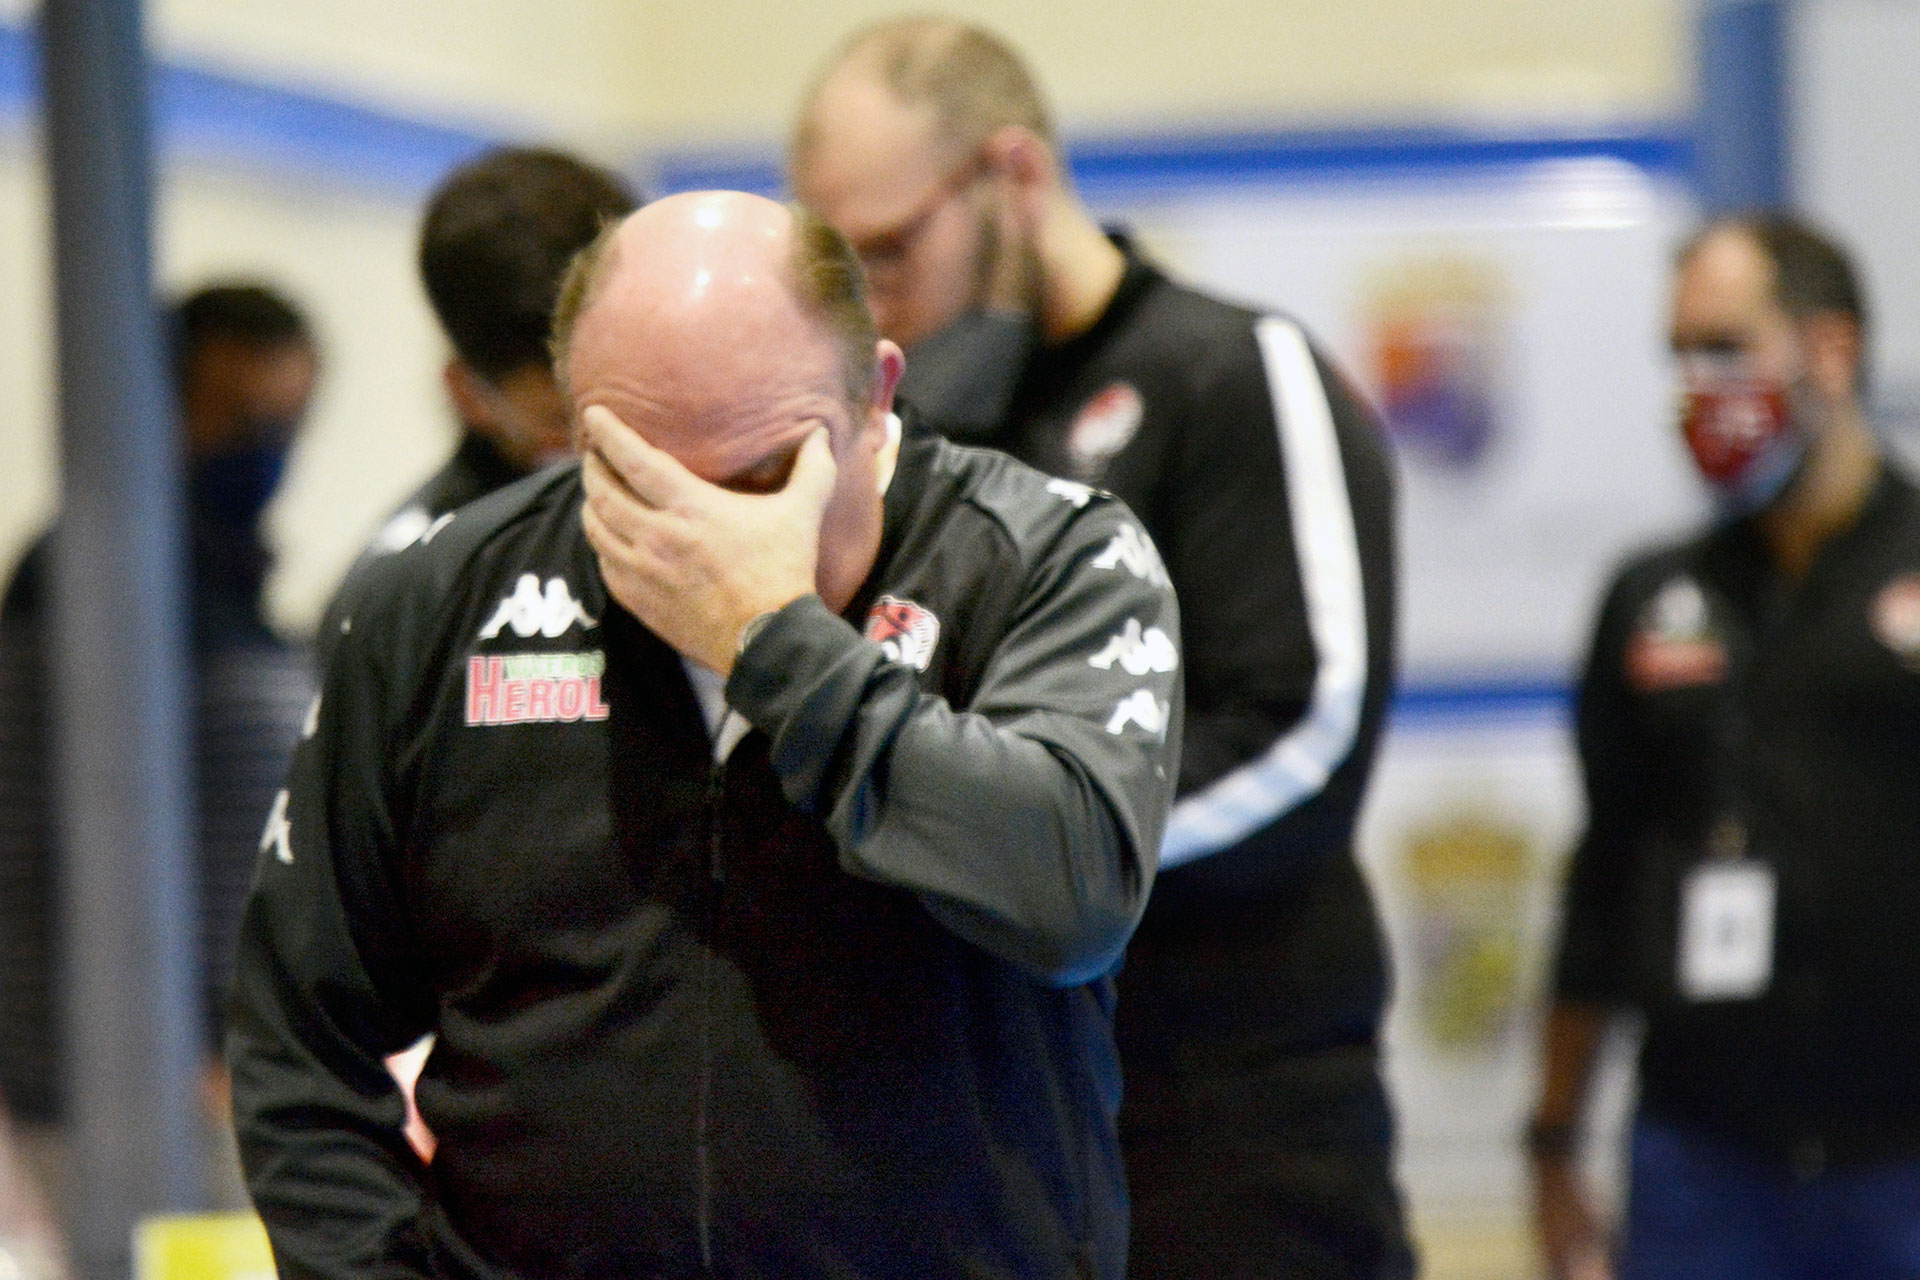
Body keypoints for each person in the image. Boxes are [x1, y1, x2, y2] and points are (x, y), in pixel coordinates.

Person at [226, 191, 1182, 1278]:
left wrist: (778, 644)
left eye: (765, 476)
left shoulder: (1046, 562)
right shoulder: (438, 601)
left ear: (874, 394)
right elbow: (298, 1041)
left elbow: (1072, 889)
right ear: (574, 428)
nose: (708, 534)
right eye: (641, 480)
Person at [791, 19, 1410, 1278]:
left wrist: (1035, 853)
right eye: (835, 268)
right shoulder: (927, 426)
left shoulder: (1229, 369)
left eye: (890, 248)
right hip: (1007, 1119)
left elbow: (1306, 730)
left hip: (1235, 1102)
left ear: (1011, 175)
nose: (869, 303)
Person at [1529, 215, 1920, 1280]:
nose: (1697, 386)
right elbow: (1602, 876)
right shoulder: (1654, 595)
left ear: (1831, 351)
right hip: (1704, 1159)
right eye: (1679, 356)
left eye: (1726, 347)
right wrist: (1555, 1137)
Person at [0, 282, 321, 1216]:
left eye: (285, 421)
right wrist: (168, 1044)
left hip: (230, 1076)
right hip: (121, 1084)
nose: (263, 449)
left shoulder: (237, 580)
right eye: (237, 416)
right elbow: (34, 840)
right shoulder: (87, 576)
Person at [359, 145, 638, 558]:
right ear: (468, 395)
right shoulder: (420, 580)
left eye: (628, 402)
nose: (605, 442)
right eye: (561, 419)